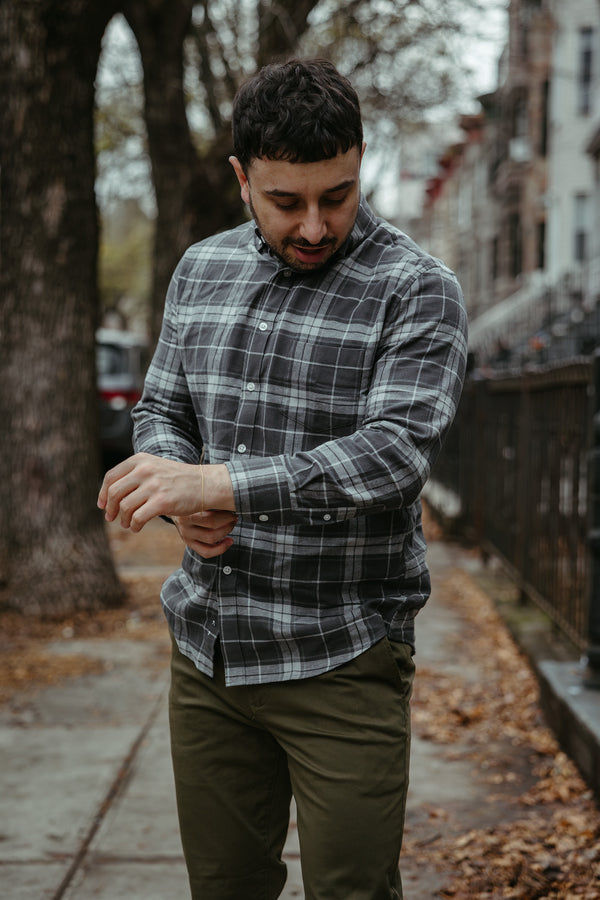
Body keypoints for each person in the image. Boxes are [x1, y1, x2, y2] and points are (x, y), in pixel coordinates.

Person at [98, 58, 468, 900]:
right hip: (209, 655)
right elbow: (163, 410)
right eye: (285, 201)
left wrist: (219, 485)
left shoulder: (417, 290)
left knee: (352, 891)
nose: (313, 225)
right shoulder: (200, 270)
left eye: (335, 196)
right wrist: (180, 495)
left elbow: (393, 455)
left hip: (342, 655)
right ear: (241, 178)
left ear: (360, 159)